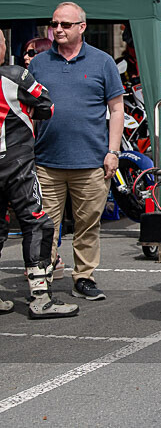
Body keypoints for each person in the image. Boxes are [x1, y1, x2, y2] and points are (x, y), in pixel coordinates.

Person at [28, 2, 124, 301]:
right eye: (54, 24)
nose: (58, 29)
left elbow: (117, 108)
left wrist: (113, 151)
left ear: (82, 27)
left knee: (88, 225)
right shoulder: (39, 64)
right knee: (44, 225)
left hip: (92, 160)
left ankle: (83, 277)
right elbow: (27, 111)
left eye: (65, 24)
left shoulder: (103, 61)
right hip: (46, 161)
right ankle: (42, 277)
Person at [0, 31, 79, 318]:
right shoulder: (14, 75)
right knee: (38, 223)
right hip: (17, 163)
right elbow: (47, 106)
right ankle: (40, 297)